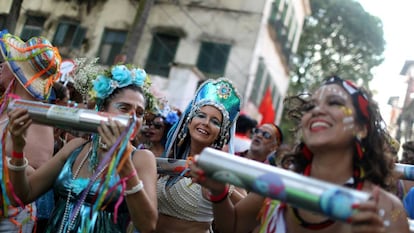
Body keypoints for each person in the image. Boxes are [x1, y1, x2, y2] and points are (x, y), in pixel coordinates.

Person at [191, 76, 409, 233]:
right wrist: (218, 193)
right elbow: (233, 227)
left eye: (334, 103)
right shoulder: (277, 182)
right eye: (311, 106)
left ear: (362, 127)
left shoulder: (386, 211)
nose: (317, 111)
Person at [7, 64, 158, 233]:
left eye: (139, 113)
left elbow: (148, 226)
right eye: (124, 108)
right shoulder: (76, 148)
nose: (133, 118)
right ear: (101, 110)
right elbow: (21, 196)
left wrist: (123, 162)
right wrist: (18, 149)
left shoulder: (142, 158)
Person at [155, 78, 244, 233]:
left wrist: (222, 188)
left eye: (215, 122)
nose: (206, 123)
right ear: (189, 121)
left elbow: (245, 215)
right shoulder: (168, 157)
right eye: (201, 116)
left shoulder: (222, 170)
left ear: (221, 134)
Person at [0, 30, 61, 232]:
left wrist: (5, 161)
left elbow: (34, 180)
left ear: (19, 72)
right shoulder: (5, 106)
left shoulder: (37, 118)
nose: (1, 65)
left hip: (10, 219)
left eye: (7, 61)